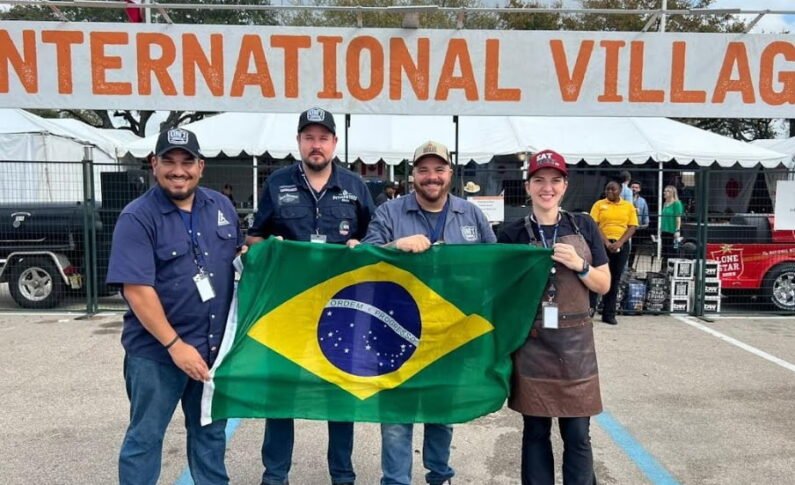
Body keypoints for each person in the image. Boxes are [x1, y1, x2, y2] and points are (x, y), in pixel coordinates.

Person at [107, 127, 244, 485]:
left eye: (187, 162)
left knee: (210, 437)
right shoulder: (137, 217)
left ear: (201, 166)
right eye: (169, 161)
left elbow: (238, 258)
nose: (178, 170)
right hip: (156, 354)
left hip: (212, 353)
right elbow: (137, 290)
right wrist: (174, 345)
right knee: (145, 439)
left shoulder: (222, 207)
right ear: (154, 164)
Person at [247, 107, 374, 485]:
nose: (315, 145)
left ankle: (342, 475)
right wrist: (272, 245)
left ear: (334, 143)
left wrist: (361, 244)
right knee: (281, 394)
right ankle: (275, 476)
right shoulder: (276, 183)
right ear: (299, 142)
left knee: (340, 392)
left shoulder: (356, 186)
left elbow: (377, 238)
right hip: (287, 310)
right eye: (309, 137)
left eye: (322, 138)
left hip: (342, 309)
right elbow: (253, 237)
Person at [361, 140, 496, 485]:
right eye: (423, 170)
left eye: (439, 170)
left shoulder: (471, 214)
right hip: (394, 332)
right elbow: (362, 258)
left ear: (450, 173)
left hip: (449, 334)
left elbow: (495, 266)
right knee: (395, 420)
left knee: (441, 413)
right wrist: (394, 247)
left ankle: (440, 476)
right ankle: (395, 481)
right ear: (412, 175)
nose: (431, 177)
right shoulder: (390, 213)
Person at [497, 149, 610, 485]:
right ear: (528, 186)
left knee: (577, 434)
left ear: (564, 186)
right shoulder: (512, 233)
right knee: (535, 432)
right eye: (539, 180)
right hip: (533, 345)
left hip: (576, 346)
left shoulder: (585, 225)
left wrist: (581, 265)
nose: (547, 187)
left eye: (555, 180)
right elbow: (501, 291)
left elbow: (603, 284)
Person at [589, 181, 638, 325]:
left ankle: (609, 313)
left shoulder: (628, 207)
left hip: (620, 244)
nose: (610, 191)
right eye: (607, 189)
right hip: (601, 244)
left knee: (614, 279)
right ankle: (590, 310)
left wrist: (620, 242)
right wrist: (605, 242)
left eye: (613, 189)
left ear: (620, 190)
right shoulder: (599, 205)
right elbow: (594, 225)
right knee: (595, 276)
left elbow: (632, 227)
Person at [660, 184, 685, 267]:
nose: (664, 192)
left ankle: (671, 269)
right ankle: (664, 269)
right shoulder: (665, 203)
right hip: (664, 230)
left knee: (671, 251)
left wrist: (677, 230)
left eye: (667, 191)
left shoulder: (677, 203)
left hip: (672, 231)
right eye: (664, 191)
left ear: (672, 193)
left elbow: (678, 218)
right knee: (664, 252)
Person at [628, 180, 650, 270]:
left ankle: (630, 266)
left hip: (637, 228)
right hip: (626, 227)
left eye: (636, 187)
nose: (634, 189)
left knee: (634, 248)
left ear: (640, 189)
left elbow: (645, 213)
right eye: (633, 187)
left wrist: (646, 223)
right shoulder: (625, 199)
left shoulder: (642, 201)